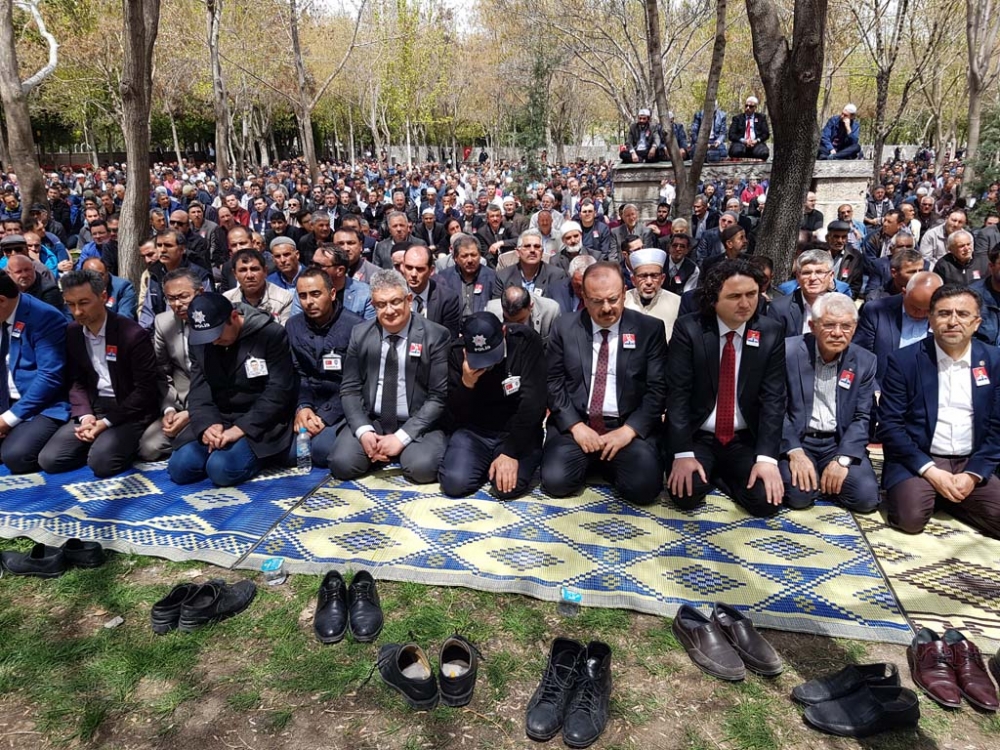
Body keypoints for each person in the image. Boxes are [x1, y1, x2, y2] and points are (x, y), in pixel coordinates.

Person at [665, 260, 786, 517]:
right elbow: (678, 395)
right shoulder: (689, 329)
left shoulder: (770, 333)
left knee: (767, 502)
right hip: (699, 435)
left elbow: (774, 400)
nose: (745, 304)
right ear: (713, 299)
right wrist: (683, 454)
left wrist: (766, 459)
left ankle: (719, 476)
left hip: (743, 438)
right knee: (685, 494)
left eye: (751, 294)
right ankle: (712, 475)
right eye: (734, 296)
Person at [878, 285, 1000, 539]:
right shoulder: (904, 361)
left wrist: (973, 474)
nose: (953, 321)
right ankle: (935, 492)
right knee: (909, 519)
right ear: (931, 320)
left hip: (971, 460)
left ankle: (953, 497)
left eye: (963, 314)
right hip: (920, 459)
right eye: (944, 313)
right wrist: (930, 471)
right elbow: (891, 426)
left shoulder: (993, 361)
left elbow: (997, 427)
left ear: (976, 322)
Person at [541, 262, 668, 506]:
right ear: (584, 299)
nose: (607, 308)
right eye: (597, 301)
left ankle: (607, 462)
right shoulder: (565, 327)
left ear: (624, 294)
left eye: (613, 299)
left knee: (644, 489)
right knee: (556, 482)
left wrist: (628, 431)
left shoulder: (649, 329)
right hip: (578, 424)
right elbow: (553, 382)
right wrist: (576, 426)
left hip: (625, 427)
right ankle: (599, 460)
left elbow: (658, 389)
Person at [330, 269, 450, 484]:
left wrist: (401, 438)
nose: (389, 310)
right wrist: (364, 431)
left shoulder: (435, 335)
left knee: (422, 469)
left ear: (409, 300)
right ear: (373, 305)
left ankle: (394, 450)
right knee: (341, 464)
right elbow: (350, 389)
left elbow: (438, 397)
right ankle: (377, 447)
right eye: (381, 304)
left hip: (415, 421)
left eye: (395, 301)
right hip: (373, 420)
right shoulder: (360, 333)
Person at [168, 292, 298, 486]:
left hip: (259, 419)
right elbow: (199, 388)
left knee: (221, 469)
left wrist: (241, 429)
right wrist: (207, 424)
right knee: (180, 468)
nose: (213, 342)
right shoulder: (202, 342)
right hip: (220, 415)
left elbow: (278, 391)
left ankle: (261, 457)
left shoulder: (270, 334)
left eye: (218, 335)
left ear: (234, 317)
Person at [38, 270, 158, 477]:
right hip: (95, 408)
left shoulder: (132, 335)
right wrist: (85, 416)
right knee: (50, 460)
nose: (77, 312)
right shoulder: (73, 333)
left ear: (103, 297)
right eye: (70, 304)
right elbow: (75, 381)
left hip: (129, 410)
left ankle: (110, 444)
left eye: (83, 303)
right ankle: (96, 442)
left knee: (102, 463)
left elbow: (145, 390)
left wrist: (106, 423)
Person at [780, 294, 880, 512]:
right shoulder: (787, 353)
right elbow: (775, 410)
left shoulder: (865, 361)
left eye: (845, 326)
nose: (837, 333)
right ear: (812, 326)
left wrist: (843, 459)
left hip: (838, 441)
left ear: (855, 328)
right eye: (829, 325)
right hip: (800, 440)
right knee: (799, 497)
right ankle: (819, 481)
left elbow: (863, 417)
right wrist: (795, 452)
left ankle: (825, 478)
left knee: (866, 498)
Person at [438, 312, 547, 499]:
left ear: (504, 331)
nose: (488, 365)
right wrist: (466, 384)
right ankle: (483, 464)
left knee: (506, 488)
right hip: (475, 432)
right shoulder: (456, 352)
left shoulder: (525, 342)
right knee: (454, 483)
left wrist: (510, 452)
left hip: (517, 430)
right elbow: (452, 414)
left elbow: (533, 404)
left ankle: (496, 463)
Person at [286, 268, 364, 466]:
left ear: (332, 294)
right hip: (309, 402)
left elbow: (357, 382)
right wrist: (303, 408)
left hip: (343, 403)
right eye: (302, 296)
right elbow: (297, 372)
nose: (309, 302)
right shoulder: (293, 326)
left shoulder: (356, 327)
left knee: (322, 452)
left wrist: (325, 416)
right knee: (290, 454)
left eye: (315, 294)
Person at [0, 271, 70, 474]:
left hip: (42, 405)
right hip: (7, 399)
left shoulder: (44, 318)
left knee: (16, 456)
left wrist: (7, 420)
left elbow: (50, 377)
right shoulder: (4, 314)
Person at [855, 271, 942, 387]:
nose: (921, 314)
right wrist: (873, 389)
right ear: (904, 292)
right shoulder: (876, 311)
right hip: (883, 389)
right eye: (915, 307)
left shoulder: (947, 317)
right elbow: (860, 356)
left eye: (928, 310)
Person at [767, 249, 836, 337]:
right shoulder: (780, 308)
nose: (812, 278)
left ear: (831, 276)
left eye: (819, 272)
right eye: (806, 273)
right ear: (798, 277)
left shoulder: (843, 305)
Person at [493, 229, 570, 306]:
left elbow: (558, 308)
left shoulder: (556, 275)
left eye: (537, 246)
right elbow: (497, 308)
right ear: (517, 252)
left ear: (542, 252)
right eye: (527, 246)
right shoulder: (503, 276)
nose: (532, 250)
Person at [400, 244, 461, 338]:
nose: (413, 274)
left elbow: (449, 339)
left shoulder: (447, 299)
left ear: (431, 270)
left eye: (420, 269)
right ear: (402, 267)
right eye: (409, 267)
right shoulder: (395, 296)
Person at [223, 248, 294, 325]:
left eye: (254, 269)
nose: (249, 275)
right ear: (235, 274)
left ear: (265, 271)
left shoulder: (284, 299)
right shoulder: (227, 300)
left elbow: (284, 332)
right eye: (243, 270)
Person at [624, 248, 681, 341]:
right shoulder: (623, 301)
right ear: (633, 280)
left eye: (654, 276)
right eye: (643, 276)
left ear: (662, 279)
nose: (649, 282)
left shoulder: (677, 303)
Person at [435, 234, 496, 321]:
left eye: (474, 255)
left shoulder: (492, 277)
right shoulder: (444, 278)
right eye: (464, 256)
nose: (470, 260)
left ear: (480, 256)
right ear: (455, 258)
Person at [485, 284, 561, 349]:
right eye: (508, 320)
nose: (514, 327)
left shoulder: (551, 310)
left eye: (520, 321)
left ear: (531, 306)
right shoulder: (491, 311)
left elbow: (553, 350)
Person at [311, 245, 375, 321]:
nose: (312, 269)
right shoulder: (305, 290)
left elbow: (370, 328)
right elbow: (298, 325)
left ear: (340, 270)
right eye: (311, 263)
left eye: (319, 266)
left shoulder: (366, 294)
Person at [825, 221, 865, 298]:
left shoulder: (855, 256)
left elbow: (855, 286)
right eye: (836, 237)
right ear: (827, 238)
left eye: (844, 237)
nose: (840, 241)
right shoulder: (818, 253)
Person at [728, 96, 770, 160]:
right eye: (746, 106)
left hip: (756, 143)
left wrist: (756, 141)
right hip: (740, 143)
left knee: (764, 153)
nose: (747, 108)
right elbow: (731, 135)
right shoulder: (737, 118)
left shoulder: (761, 118)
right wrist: (744, 141)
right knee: (736, 151)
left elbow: (766, 134)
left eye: (751, 106)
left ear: (755, 107)